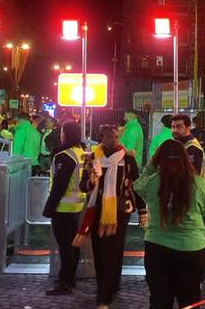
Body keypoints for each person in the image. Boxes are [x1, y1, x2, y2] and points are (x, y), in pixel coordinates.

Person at [134, 139, 205, 309]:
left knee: (159, 300)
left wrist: (150, 166)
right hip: (191, 249)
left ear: (158, 159)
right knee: (190, 301)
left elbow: (137, 185)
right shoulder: (196, 182)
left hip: (157, 247)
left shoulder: (151, 183)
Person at [76, 125, 146, 309]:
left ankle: (107, 291)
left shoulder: (128, 159)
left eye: (116, 136)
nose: (114, 140)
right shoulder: (92, 159)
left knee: (113, 251)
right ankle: (105, 288)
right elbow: (82, 186)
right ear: (101, 139)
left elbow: (135, 186)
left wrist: (143, 210)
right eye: (109, 137)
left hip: (120, 212)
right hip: (97, 211)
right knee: (100, 252)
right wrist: (91, 181)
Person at [43, 121, 86, 296]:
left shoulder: (64, 156)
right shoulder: (81, 153)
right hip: (77, 205)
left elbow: (59, 186)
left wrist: (49, 208)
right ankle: (70, 278)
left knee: (65, 247)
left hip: (63, 207)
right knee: (73, 245)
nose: (60, 134)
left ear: (65, 134)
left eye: (62, 132)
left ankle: (65, 281)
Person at [171, 114, 205, 179]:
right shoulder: (181, 144)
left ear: (188, 128)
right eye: (173, 127)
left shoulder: (192, 147)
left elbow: (190, 175)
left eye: (179, 127)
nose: (175, 130)